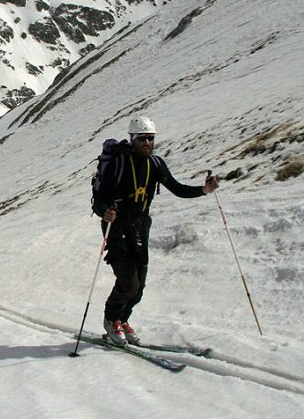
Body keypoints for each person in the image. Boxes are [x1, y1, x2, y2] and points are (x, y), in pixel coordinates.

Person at [92, 116, 219, 345]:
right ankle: (111, 321)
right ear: (133, 139)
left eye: (150, 138)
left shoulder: (156, 164)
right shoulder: (118, 163)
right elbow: (99, 199)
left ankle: (122, 319)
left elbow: (177, 189)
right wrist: (104, 212)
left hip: (140, 225)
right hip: (117, 224)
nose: (147, 143)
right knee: (127, 281)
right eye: (142, 139)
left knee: (139, 285)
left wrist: (204, 190)